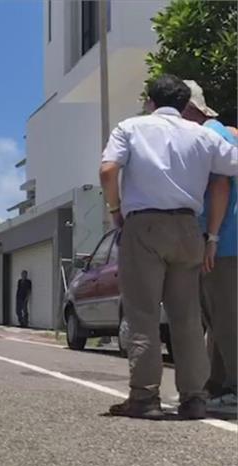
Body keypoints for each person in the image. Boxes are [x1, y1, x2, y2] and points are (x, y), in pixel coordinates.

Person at [99, 74, 238, 420]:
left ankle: (145, 398)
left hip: (143, 224)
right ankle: (194, 398)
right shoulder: (204, 134)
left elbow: (108, 169)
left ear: (150, 101)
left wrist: (116, 210)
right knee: (187, 317)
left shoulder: (130, 128)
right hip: (190, 227)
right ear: (184, 104)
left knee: (143, 313)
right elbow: (229, 168)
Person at [182, 80, 238, 408]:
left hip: (227, 240)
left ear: (191, 110)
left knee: (227, 316)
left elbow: (219, 184)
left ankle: (233, 387)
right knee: (218, 315)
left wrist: (212, 238)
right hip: (225, 238)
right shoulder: (223, 131)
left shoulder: (210, 135)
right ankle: (217, 385)